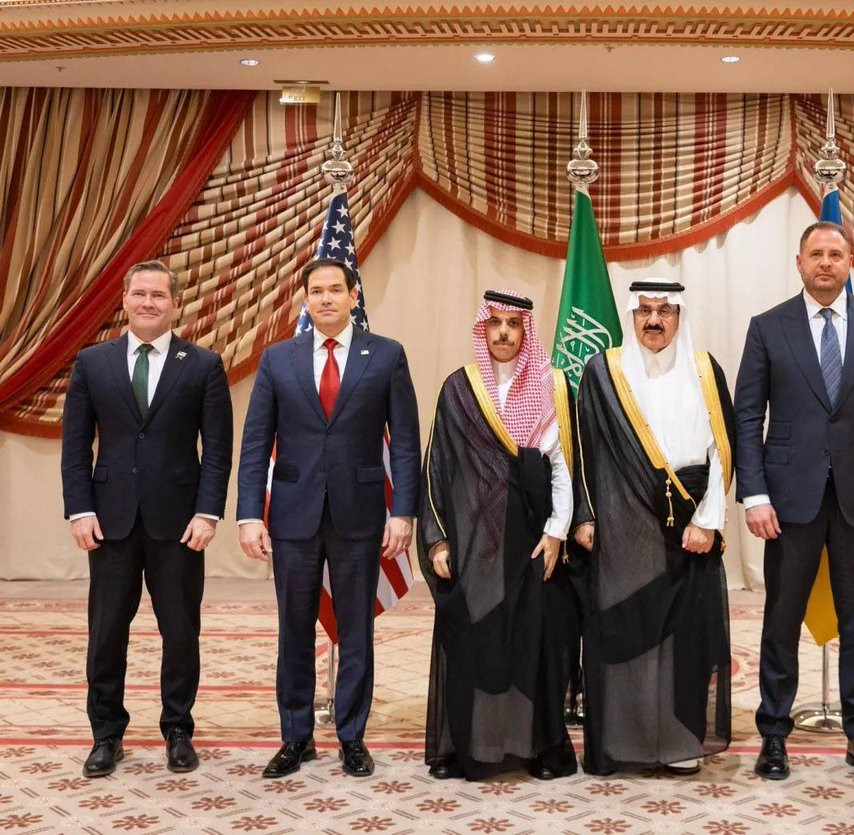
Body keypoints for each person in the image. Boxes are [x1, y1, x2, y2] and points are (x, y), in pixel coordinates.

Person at [734, 220, 854, 784]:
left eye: (836, 255)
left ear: (850, 262)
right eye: (816, 254)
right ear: (799, 262)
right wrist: (755, 493)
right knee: (781, 619)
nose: (825, 264)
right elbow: (747, 417)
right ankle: (774, 734)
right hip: (788, 503)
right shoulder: (768, 327)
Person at [236, 258, 420, 779]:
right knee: (294, 629)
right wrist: (249, 514)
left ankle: (352, 737)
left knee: (356, 630)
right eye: (316, 291)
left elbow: (405, 443)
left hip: (360, 515)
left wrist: (402, 511)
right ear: (305, 299)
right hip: (291, 515)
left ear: (354, 295)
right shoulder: (278, 358)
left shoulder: (385, 355)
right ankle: (295, 737)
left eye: (335, 290)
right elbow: (256, 442)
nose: (325, 299)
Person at [61, 260, 234, 778]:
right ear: (124, 300)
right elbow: (75, 447)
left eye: (159, 295)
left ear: (175, 304)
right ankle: (106, 734)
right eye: (140, 293)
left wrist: (208, 513)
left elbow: (217, 450)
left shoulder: (203, 365)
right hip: (108, 522)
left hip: (179, 524)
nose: (149, 303)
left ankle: (178, 729)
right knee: (106, 633)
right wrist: (79, 509)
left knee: (180, 632)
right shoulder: (92, 362)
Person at [572, 278, 734, 777]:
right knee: (624, 629)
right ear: (631, 316)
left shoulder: (705, 370)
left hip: (689, 526)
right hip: (622, 525)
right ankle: (624, 741)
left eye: (665, 311)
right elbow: (583, 450)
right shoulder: (603, 372)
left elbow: (723, 452)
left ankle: (680, 741)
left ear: (680, 317)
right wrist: (585, 516)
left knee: (684, 636)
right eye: (644, 311)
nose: (654, 320)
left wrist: (708, 521)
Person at [417, 290, 578, 781]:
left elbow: (562, 470)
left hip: (532, 542)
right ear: (483, 328)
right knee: (474, 641)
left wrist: (556, 533)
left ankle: (540, 750)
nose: (504, 333)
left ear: (526, 331)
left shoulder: (552, 385)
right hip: (474, 545)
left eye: (514, 324)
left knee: (534, 644)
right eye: (495, 323)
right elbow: (437, 467)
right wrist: (438, 540)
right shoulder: (459, 388)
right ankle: (466, 749)